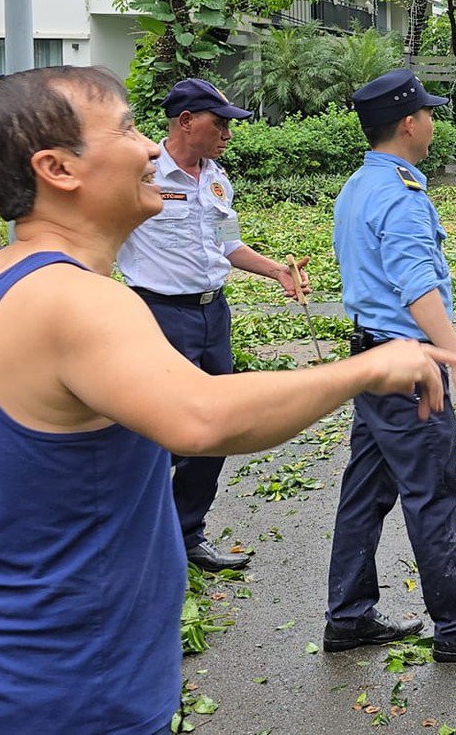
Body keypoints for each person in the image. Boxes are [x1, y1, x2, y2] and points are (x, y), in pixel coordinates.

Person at [0, 66, 452, 735]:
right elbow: (201, 417)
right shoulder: (78, 298)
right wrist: (369, 367)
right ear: (58, 168)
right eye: (125, 128)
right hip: (76, 692)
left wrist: (11, 517)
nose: (148, 147)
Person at [326, 72, 456, 661]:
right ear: (410, 123)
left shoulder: (358, 187)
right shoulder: (400, 194)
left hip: (371, 356)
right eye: (429, 114)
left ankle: (348, 615)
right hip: (410, 365)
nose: (435, 124)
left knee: (365, 490)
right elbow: (418, 288)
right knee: (432, 492)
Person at [117, 77, 310, 572]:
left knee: (217, 427)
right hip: (159, 313)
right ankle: (141, 537)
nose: (228, 133)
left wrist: (277, 271)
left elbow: (227, 243)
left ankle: (187, 533)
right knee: (160, 430)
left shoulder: (217, 179)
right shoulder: (139, 176)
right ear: (186, 121)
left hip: (211, 314)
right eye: (219, 123)